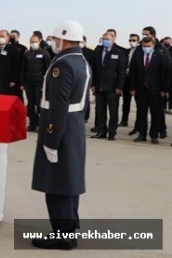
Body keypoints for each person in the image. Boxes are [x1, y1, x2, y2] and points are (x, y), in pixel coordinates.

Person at [31, 20, 91, 250]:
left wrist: (51, 140)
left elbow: (58, 105)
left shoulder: (63, 65)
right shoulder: (82, 61)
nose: (53, 42)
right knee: (70, 178)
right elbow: (84, 103)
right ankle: (70, 224)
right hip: (74, 126)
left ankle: (63, 235)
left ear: (65, 39)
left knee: (56, 183)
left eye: (56, 39)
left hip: (61, 127)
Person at [129, 36, 168, 145]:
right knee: (141, 113)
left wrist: (164, 89)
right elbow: (133, 74)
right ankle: (142, 134)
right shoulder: (137, 56)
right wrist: (132, 88)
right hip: (140, 90)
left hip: (155, 90)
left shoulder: (160, 57)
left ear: (153, 45)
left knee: (155, 113)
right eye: (144, 46)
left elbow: (163, 75)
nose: (146, 48)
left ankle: (154, 135)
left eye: (148, 46)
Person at [90, 32, 126, 140]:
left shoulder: (119, 53)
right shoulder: (97, 52)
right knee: (100, 111)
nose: (105, 41)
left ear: (113, 40)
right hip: (99, 86)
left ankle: (111, 132)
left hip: (113, 88)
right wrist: (92, 84)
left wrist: (119, 87)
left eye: (108, 39)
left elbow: (121, 72)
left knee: (113, 111)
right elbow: (93, 69)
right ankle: (102, 131)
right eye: (103, 39)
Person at [21, 35, 51, 131]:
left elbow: (47, 70)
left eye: (35, 41)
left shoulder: (44, 54)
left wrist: (45, 84)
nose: (33, 43)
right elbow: (23, 69)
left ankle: (39, 123)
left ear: (40, 41)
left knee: (39, 103)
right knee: (30, 103)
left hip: (39, 83)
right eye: (32, 42)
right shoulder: (27, 54)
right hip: (29, 82)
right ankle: (32, 123)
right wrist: (22, 83)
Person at [0, 30, 20, 96]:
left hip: (7, 80)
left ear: (8, 37)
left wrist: (13, 80)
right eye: (0, 36)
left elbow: (16, 66)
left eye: (3, 36)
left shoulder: (13, 49)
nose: (1, 38)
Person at [123, 34, 140, 129]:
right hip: (126, 79)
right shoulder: (126, 51)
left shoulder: (139, 52)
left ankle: (138, 124)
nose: (132, 42)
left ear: (138, 41)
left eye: (134, 40)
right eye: (130, 40)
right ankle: (124, 119)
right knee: (126, 101)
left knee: (139, 104)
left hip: (136, 80)